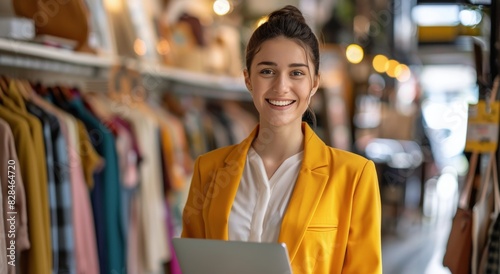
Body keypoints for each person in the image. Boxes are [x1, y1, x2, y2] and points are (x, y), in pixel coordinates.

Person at [181, 5, 382, 274]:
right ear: (248, 79)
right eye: (267, 71)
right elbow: (195, 264)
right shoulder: (208, 170)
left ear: (314, 83)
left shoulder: (354, 176)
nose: (281, 87)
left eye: (297, 73)